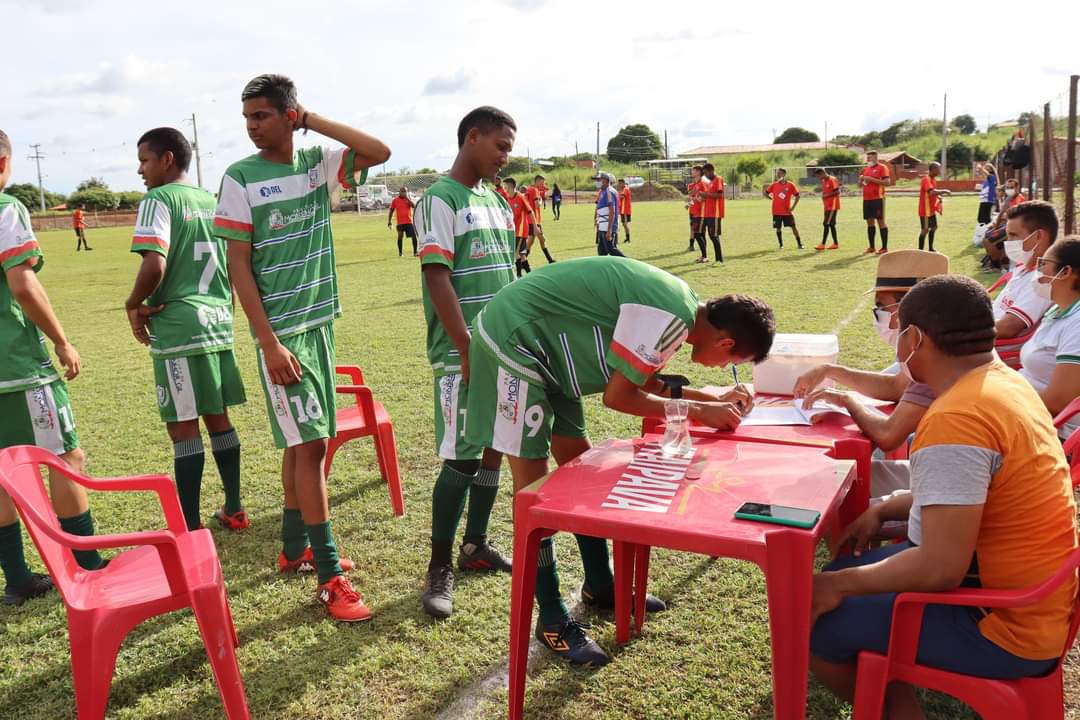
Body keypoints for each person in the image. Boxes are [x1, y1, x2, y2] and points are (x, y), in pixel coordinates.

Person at [463, 257, 773, 664]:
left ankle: (600, 584)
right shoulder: (671, 316)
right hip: (516, 345)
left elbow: (639, 378)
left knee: (579, 464)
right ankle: (552, 618)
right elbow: (619, 397)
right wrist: (699, 412)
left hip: (545, 351)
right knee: (535, 492)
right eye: (732, 364)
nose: (726, 369)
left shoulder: (683, 308)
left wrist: (705, 398)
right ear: (727, 344)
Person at [810, 275, 1078, 719]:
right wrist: (888, 506)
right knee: (840, 569)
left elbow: (939, 568)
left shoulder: (957, 417)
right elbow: (978, 490)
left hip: (1001, 625)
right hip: (1033, 604)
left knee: (810, 614)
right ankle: (889, 683)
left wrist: (834, 586)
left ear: (914, 338)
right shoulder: (1005, 384)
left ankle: (891, 704)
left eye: (899, 331)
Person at [215, 74, 390, 622]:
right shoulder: (239, 177)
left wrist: (310, 119)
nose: (251, 126)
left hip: (319, 324)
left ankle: (295, 548)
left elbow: (379, 152)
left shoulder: (316, 164)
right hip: (282, 334)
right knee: (312, 445)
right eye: (247, 118)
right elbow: (238, 265)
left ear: (289, 115)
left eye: (262, 115)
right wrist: (267, 343)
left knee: (303, 441)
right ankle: (329, 574)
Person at [415, 107, 518, 619]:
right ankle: (438, 566)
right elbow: (439, 277)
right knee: (462, 455)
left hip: (504, 349)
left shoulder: (496, 200)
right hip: (464, 353)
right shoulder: (439, 199)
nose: (505, 157)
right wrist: (465, 346)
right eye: (500, 146)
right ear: (471, 138)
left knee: (496, 447)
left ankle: (475, 545)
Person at [0, 128, 105, 605]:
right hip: (18, 365)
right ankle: (87, 564)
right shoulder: (7, 208)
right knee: (66, 457)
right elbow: (22, 284)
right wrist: (62, 340)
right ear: (4, 164)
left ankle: (18, 579)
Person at [125, 127, 248, 534]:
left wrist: (133, 304)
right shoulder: (211, 201)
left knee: (183, 427)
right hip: (216, 321)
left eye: (144, 159)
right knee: (218, 417)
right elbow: (233, 263)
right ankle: (234, 506)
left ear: (167, 159)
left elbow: (155, 263)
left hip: (179, 327)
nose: (140, 169)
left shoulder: (158, 199)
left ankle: (190, 526)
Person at [794, 250, 949, 499]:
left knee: (828, 481)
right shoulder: (946, 344)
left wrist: (848, 400)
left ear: (908, 307)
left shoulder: (935, 360)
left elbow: (888, 436)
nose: (878, 316)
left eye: (881, 307)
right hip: (945, 475)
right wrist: (831, 370)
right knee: (835, 475)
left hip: (947, 488)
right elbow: (897, 387)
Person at [1019, 236, 1080, 439]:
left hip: (1052, 430)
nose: (1039, 271)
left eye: (1044, 264)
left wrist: (1003, 404)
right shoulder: (1058, 309)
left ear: (1066, 272)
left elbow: (1057, 402)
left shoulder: (1077, 323)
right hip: (1025, 409)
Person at [993, 200, 1058, 341]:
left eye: (1014, 235)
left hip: (997, 352)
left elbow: (1008, 327)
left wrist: (960, 331)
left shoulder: (1043, 280)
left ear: (1039, 236)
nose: (1008, 242)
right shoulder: (1023, 268)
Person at [860, 150, 891, 254]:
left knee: (880, 222)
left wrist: (871, 179)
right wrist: (861, 180)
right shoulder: (866, 169)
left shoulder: (882, 167)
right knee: (869, 223)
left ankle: (884, 248)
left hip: (878, 199)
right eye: (867, 158)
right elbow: (862, 184)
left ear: (876, 157)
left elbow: (887, 183)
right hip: (867, 199)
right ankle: (872, 247)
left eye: (870, 158)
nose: (868, 159)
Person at [503, 177, 534, 276]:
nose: (505, 189)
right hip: (513, 229)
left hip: (520, 230)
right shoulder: (508, 199)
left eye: (506, 187)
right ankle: (530, 273)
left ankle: (519, 275)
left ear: (511, 187)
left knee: (515, 253)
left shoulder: (520, 197)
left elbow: (530, 211)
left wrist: (535, 227)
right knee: (521, 254)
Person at [764, 168, 802, 249]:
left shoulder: (790, 185)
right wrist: (772, 198)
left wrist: (793, 207)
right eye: (777, 173)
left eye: (780, 173)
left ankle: (800, 244)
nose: (778, 175)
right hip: (776, 212)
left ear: (784, 174)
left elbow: (798, 196)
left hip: (787, 212)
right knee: (778, 228)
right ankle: (781, 245)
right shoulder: (774, 185)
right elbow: (766, 193)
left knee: (793, 227)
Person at [917, 161, 949, 252]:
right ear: (933, 169)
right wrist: (944, 191)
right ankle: (920, 251)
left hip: (931, 210)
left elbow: (932, 193)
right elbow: (931, 192)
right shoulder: (926, 179)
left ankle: (930, 248)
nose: (939, 171)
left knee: (934, 227)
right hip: (925, 210)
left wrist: (938, 196)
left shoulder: (933, 180)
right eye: (938, 169)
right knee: (925, 230)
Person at [699, 163, 725, 262]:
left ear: (711, 171)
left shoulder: (718, 179)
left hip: (715, 213)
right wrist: (703, 197)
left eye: (705, 173)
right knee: (711, 235)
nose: (705, 175)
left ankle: (719, 259)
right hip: (708, 213)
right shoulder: (710, 182)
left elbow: (720, 195)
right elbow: (710, 195)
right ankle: (718, 259)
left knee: (714, 236)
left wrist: (705, 194)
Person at [526, 175, 556, 263]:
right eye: (542, 182)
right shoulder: (534, 190)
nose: (543, 184)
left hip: (530, 219)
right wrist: (541, 200)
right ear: (537, 181)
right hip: (534, 219)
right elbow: (537, 204)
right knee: (542, 239)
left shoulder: (530, 189)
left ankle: (523, 260)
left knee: (531, 241)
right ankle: (550, 259)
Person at [594, 172, 624, 257]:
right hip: (602, 226)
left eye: (600, 180)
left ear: (606, 181)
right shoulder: (603, 192)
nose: (598, 182)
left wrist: (609, 230)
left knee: (611, 249)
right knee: (601, 251)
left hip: (607, 226)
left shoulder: (609, 192)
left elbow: (612, 211)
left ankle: (629, 264)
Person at [813, 167, 840, 251]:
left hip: (832, 206)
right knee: (831, 224)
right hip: (827, 206)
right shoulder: (823, 181)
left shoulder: (832, 179)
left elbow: (837, 192)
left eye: (819, 176)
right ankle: (835, 244)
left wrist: (826, 196)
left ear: (823, 173)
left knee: (826, 224)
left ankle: (823, 244)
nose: (819, 178)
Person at [387, 187, 418, 257]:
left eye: (405, 192)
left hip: (409, 222)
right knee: (400, 237)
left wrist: (407, 199)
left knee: (414, 236)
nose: (404, 193)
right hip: (400, 223)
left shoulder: (408, 200)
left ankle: (415, 252)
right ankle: (400, 253)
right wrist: (389, 221)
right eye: (403, 191)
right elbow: (391, 211)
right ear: (399, 192)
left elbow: (414, 206)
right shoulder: (395, 200)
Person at [687, 165, 704, 255]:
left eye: (693, 170)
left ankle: (704, 252)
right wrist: (689, 203)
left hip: (702, 211)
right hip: (693, 211)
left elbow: (701, 198)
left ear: (698, 172)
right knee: (692, 228)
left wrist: (693, 198)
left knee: (701, 231)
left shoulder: (704, 183)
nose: (692, 172)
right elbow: (690, 197)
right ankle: (691, 245)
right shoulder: (691, 185)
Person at [617, 178, 632, 244]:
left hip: (625, 210)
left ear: (623, 183)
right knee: (624, 224)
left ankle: (628, 239)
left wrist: (616, 195)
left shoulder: (625, 189)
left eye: (620, 183)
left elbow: (621, 197)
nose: (619, 185)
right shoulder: (622, 189)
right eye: (618, 183)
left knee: (625, 224)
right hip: (622, 210)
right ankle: (627, 238)